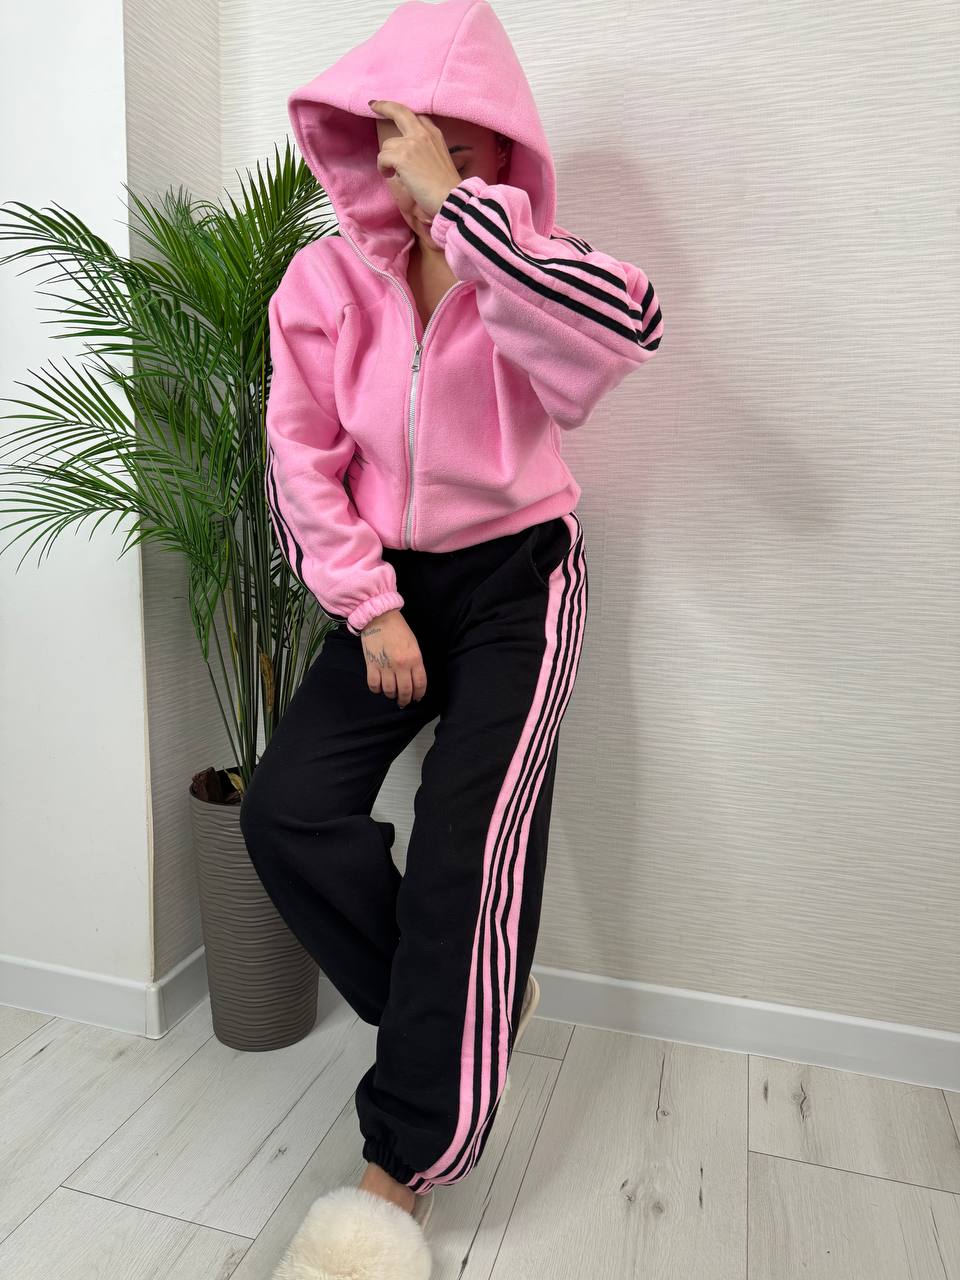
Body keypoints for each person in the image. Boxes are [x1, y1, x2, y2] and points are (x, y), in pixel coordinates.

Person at [238, 0, 662, 1275]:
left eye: (454, 154)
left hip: (521, 579)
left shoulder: (528, 267)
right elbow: (300, 456)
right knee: (287, 810)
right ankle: (465, 1004)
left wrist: (470, 221)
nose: (417, 182)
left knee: (465, 853)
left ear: (500, 157)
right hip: (390, 585)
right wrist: (369, 604)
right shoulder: (322, 284)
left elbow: (624, 336)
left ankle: (396, 1172)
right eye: (400, 153)